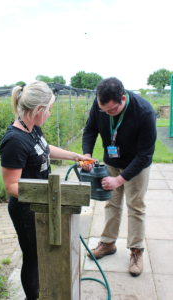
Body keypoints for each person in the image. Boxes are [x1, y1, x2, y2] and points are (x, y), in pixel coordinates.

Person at [0, 81, 92, 300]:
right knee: (33, 257)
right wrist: (51, 195)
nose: (50, 114)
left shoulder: (31, 128)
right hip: (25, 208)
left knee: (43, 253)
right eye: (49, 109)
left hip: (41, 204)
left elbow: (44, 149)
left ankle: (44, 290)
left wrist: (75, 156)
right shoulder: (13, 141)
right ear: (38, 110)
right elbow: (10, 185)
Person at [82, 77, 156, 277]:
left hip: (136, 165)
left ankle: (136, 250)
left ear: (123, 98)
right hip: (112, 162)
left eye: (112, 111)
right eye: (103, 110)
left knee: (136, 206)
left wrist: (119, 180)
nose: (106, 113)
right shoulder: (101, 105)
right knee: (111, 203)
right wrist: (86, 155)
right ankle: (108, 243)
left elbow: (145, 155)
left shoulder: (144, 112)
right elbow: (90, 129)